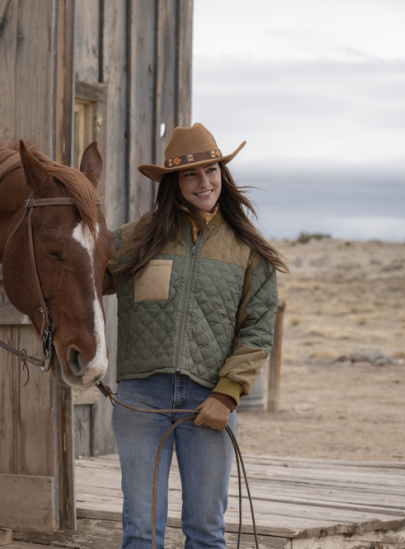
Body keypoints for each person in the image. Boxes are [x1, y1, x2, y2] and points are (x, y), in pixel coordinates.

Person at [103, 123, 289, 549]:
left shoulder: (248, 250)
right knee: (140, 531)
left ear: (223, 174)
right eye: (191, 174)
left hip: (208, 398)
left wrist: (228, 394)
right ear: (174, 182)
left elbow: (258, 330)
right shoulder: (135, 239)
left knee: (206, 531)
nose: (204, 182)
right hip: (140, 399)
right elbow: (76, 280)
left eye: (212, 171)